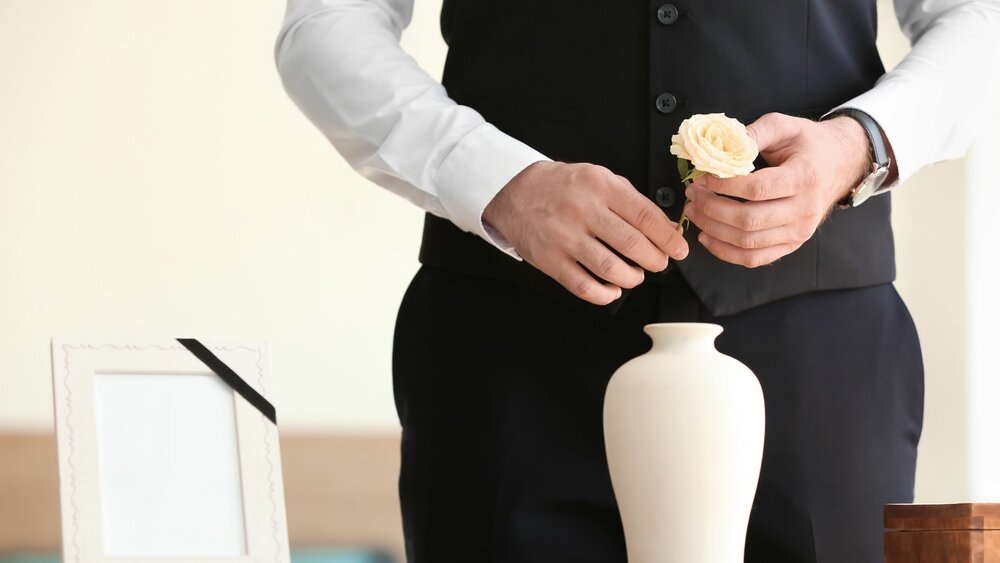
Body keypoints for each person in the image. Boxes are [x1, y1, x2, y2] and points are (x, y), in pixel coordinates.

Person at [274, 0, 1000, 560]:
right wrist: (498, 181)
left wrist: (857, 145)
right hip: (509, 361)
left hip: (822, 369)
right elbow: (326, 23)